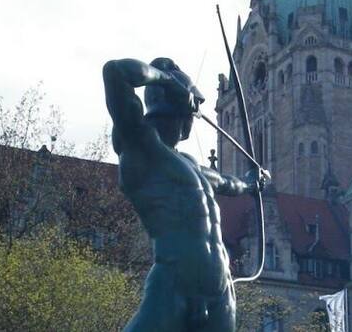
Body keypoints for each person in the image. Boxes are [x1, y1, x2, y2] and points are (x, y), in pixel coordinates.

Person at [103, 57, 267, 332]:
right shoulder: (140, 146)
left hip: (220, 290)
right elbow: (115, 72)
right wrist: (169, 81)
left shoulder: (190, 164)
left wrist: (252, 184)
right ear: (179, 107)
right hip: (174, 283)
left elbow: (227, 183)